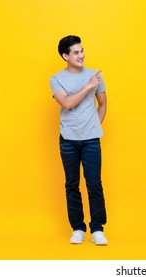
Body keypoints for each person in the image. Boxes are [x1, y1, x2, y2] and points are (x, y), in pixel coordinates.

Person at [50, 35, 108, 245]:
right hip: (68, 140)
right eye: (75, 52)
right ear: (65, 56)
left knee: (94, 183)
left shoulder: (95, 75)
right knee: (72, 184)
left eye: (82, 50)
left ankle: (97, 229)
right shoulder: (56, 79)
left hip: (91, 139)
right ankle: (78, 228)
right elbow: (66, 103)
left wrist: (95, 126)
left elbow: (102, 104)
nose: (81, 55)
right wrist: (87, 87)